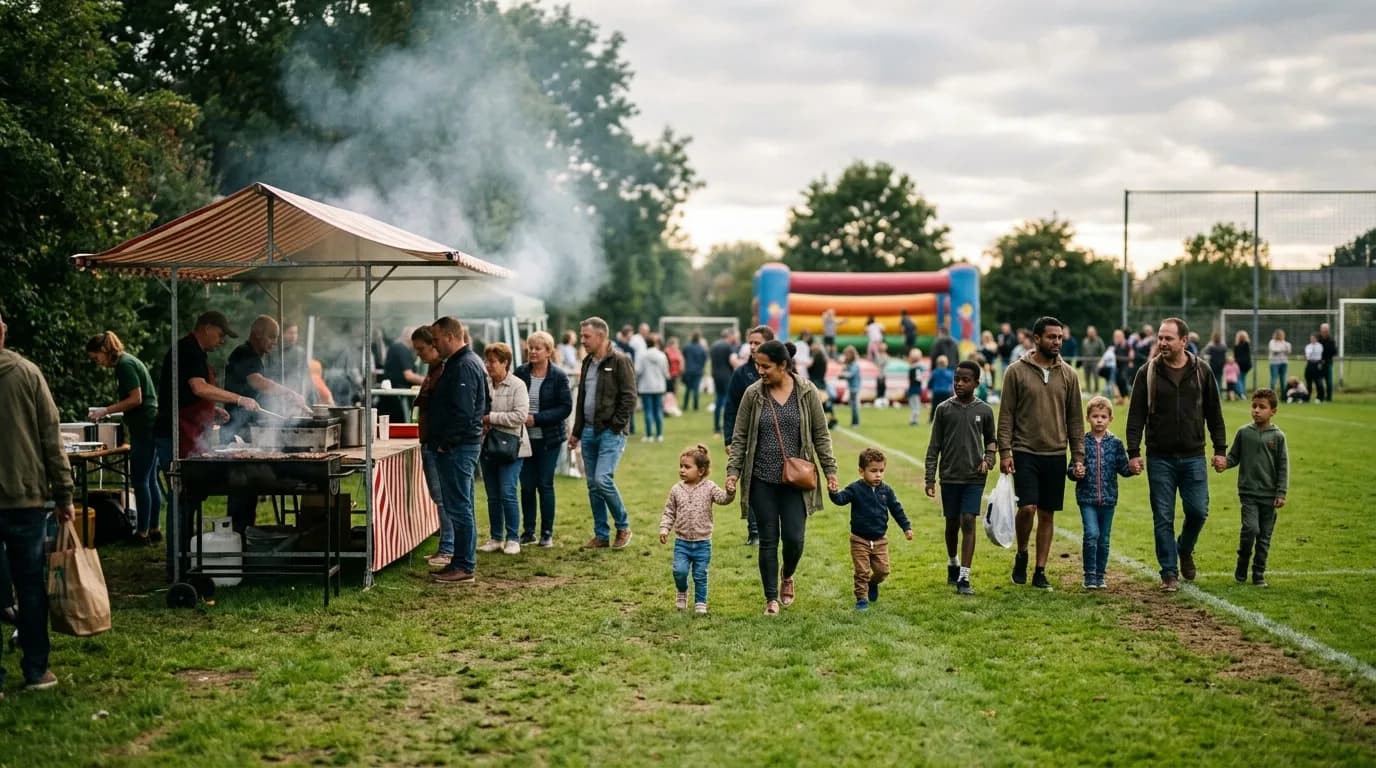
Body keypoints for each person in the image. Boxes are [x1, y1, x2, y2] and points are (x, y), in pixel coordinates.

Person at [725, 340, 839, 615]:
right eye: (757, 365)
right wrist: (733, 473)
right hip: (761, 478)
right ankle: (771, 598)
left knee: (794, 538)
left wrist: (830, 471)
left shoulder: (807, 391)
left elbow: (821, 434)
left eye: (766, 366)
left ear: (783, 365)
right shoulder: (753, 394)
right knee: (768, 539)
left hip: (795, 481)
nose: (760, 371)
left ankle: (787, 574)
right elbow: (740, 437)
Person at [1125, 317, 1228, 592]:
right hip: (1159, 457)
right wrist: (1133, 452)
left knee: (1198, 511)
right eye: (1160, 337)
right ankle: (1168, 572)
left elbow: (1214, 414)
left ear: (1184, 341)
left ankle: (1184, 548)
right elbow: (1135, 416)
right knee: (1163, 517)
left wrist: (1220, 449)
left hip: (1194, 456)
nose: (1162, 342)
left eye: (1168, 338)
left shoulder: (1202, 371)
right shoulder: (1147, 372)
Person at [0, 308, 74, 692]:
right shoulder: (28, 374)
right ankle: (35, 670)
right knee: (30, 585)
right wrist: (64, 494)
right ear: (2, 333)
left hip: (22, 498)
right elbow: (51, 438)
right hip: (24, 498)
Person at [154, 311, 258, 573]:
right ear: (206, 327)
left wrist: (213, 410)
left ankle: (185, 559)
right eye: (220, 335)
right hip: (173, 435)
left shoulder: (198, 354)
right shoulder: (188, 350)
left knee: (188, 500)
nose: (222, 341)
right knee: (180, 500)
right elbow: (198, 388)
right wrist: (237, 399)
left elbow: (189, 395)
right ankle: (176, 566)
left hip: (188, 435)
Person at [997, 316, 1086, 591]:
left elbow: (1075, 419)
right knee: (1027, 508)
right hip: (1024, 450)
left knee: (1047, 514)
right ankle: (1022, 552)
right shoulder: (1015, 371)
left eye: (1059, 337)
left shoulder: (1069, 375)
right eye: (1051, 337)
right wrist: (1005, 451)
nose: (1057, 342)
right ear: (1036, 339)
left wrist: (1078, 456)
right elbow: (1006, 415)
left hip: (1056, 452)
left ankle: (1040, 570)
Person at [222, 315, 307, 533]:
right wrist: (289, 393)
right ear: (257, 333)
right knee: (241, 489)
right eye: (271, 337)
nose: (274, 342)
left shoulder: (258, 357)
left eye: (276, 338)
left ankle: (245, 534)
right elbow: (257, 382)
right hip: (237, 431)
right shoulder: (244, 353)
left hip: (250, 429)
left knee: (250, 490)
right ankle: (236, 535)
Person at [924, 362, 996, 596]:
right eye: (957, 379)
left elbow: (991, 440)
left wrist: (989, 460)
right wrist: (930, 478)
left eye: (965, 380)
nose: (959, 383)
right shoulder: (943, 409)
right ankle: (953, 561)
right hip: (950, 476)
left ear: (976, 383)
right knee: (952, 523)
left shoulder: (985, 410)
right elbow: (934, 446)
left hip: (975, 477)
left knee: (968, 520)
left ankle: (964, 576)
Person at [429, 317, 489, 584]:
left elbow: (464, 412)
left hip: (458, 447)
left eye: (436, 339)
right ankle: (460, 561)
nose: (434, 345)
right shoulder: (462, 362)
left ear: (450, 337)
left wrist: (447, 443)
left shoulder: (464, 365)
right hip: (461, 445)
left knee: (459, 507)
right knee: (460, 505)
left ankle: (464, 565)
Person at [85, 331, 160, 544]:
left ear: (104, 350)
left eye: (96, 358)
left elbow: (136, 399)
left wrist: (106, 410)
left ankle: (142, 533)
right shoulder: (127, 362)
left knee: (140, 480)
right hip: (149, 424)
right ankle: (154, 528)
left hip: (144, 427)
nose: (97, 362)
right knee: (150, 479)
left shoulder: (125, 366)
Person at [570, 317, 637, 550]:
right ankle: (601, 535)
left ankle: (623, 526)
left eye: (586, 336)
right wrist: (576, 432)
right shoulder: (587, 362)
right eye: (581, 336)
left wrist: (616, 425)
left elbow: (630, 397)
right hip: (588, 431)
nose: (582, 340)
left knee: (602, 479)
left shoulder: (620, 361)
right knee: (592, 485)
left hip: (610, 432)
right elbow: (582, 399)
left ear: (601, 336)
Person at [831, 447, 912, 610]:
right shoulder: (855, 489)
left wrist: (906, 527)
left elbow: (896, 509)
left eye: (881, 471)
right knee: (862, 571)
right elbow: (840, 499)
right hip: (859, 540)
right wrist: (833, 492)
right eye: (873, 471)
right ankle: (861, 599)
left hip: (880, 540)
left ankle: (873, 583)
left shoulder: (886, 491)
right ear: (861, 471)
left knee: (883, 571)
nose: (878, 475)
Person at [1223, 388, 1288, 587]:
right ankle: (1242, 564)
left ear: (1273, 411)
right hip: (1248, 492)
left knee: (1264, 537)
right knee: (1250, 529)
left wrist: (1281, 492)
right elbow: (1233, 457)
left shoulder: (1278, 437)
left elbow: (1283, 466)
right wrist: (1223, 463)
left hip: (1269, 495)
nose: (1256, 410)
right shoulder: (1244, 433)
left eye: (1262, 407)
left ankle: (1258, 573)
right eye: (1254, 406)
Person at [659, 444, 734, 615]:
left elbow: (723, 499)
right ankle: (682, 591)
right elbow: (669, 511)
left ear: (700, 471)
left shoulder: (709, 487)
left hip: (703, 543)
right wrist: (664, 529)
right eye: (681, 466)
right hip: (682, 542)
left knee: (700, 574)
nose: (682, 470)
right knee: (679, 571)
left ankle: (700, 602)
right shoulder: (676, 490)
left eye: (687, 467)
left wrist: (730, 492)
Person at [515, 331, 572, 548]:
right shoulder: (521, 372)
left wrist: (537, 419)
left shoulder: (558, 376)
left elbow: (565, 407)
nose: (533, 351)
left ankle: (546, 533)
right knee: (527, 486)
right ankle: (528, 531)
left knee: (545, 484)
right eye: (530, 347)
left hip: (549, 440)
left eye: (537, 348)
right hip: (524, 439)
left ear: (548, 351)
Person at [1070, 396, 1132, 590]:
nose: (1099, 420)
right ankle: (1089, 575)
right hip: (1086, 498)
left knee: (1104, 539)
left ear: (1110, 419)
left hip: (1108, 499)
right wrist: (1076, 472)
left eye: (1103, 417)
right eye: (1095, 416)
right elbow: (1071, 469)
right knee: (1091, 534)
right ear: (1088, 418)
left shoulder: (1116, 443)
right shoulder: (1081, 443)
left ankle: (1100, 575)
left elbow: (1123, 468)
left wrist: (1133, 468)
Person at [722, 325, 774, 545]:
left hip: (775, 438)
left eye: (757, 343)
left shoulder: (781, 371)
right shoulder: (741, 374)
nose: (752, 347)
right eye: (750, 342)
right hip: (749, 438)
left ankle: (772, 527)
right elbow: (730, 407)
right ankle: (754, 531)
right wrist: (729, 438)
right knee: (751, 483)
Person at [477, 343, 530, 556]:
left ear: (505, 363)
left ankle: (513, 538)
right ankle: (496, 538)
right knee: (492, 495)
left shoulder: (518, 385)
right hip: (488, 446)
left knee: (508, 492)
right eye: (486, 361)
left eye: (492, 361)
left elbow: (520, 416)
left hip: (512, 448)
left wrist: (491, 418)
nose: (487, 365)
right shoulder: (484, 384)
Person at [410, 327, 452, 567]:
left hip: (437, 442)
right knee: (440, 497)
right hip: (430, 439)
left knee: (443, 497)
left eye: (421, 349)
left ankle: (448, 548)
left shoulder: (444, 371)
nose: (419, 354)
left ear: (434, 346)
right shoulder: (434, 370)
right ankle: (446, 545)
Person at [379, 328, 424, 423]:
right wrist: (429, 381)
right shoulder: (401, 349)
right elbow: (409, 375)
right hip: (397, 398)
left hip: (393, 398)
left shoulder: (396, 348)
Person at [635, 334, 669, 442]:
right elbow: (665, 372)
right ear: (655, 343)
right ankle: (659, 434)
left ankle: (649, 435)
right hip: (659, 386)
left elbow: (638, 371)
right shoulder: (662, 355)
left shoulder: (642, 355)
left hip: (646, 387)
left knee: (648, 411)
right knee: (658, 411)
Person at [709, 328, 738, 436]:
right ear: (729, 336)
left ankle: (717, 426)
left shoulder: (714, 345)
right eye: (734, 336)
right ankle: (727, 426)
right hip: (726, 376)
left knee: (718, 400)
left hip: (716, 375)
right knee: (727, 401)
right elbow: (733, 361)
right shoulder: (728, 347)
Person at [681, 331, 707, 411]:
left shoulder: (687, 347)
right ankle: (695, 407)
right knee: (696, 389)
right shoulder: (702, 348)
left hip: (688, 370)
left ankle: (685, 406)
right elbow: (704, 359)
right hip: (698, 371)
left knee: (688, 389)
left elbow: (683, 357)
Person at [927, 354, 953, 421]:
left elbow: (931, 381)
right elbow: (952, 382)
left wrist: (929, 388)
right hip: (946, 392)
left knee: (935, 406)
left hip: (937, 392)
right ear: (946, 363)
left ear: (937, 363)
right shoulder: (950, 373)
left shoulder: (935, 372)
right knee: (947, 406)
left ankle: (932, 418)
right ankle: (947, 418)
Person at [1080, 327, 1106, 392]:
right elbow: (1083, 351)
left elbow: (1103, 351)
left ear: (1095, 332)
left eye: (1092, 332)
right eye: (1089, 332)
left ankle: (1096, 390)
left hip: (1095, 361)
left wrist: (1101, 360)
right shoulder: (1085, 341)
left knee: (1096, 376)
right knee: (1087, 377)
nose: (1090, 334)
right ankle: (1088, 390)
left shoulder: (1099, 341)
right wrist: (1083, 361)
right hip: (1086, 361)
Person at [906, 348, 927, 426]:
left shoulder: (911, 368)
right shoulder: (918, 368)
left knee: (914, 406)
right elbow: (918, 378)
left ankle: (913, 420)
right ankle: (913, 421)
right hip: (916, 389)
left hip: (912, 389)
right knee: (916, 406)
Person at [841, 346, 862, 427]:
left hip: (855, 388)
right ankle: (854, 422)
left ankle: (856, 423)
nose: (846, 356)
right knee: (853, 405)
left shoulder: (854, 365)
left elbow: (850, 374)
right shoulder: (850, 364)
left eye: (847, 355)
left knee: (854, 406)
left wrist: (843, 375)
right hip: (852, 387)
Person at [1203, 331, 1229, 396]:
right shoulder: (1223, 346)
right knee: (1219, 380)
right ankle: (1219, 394)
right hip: (1221, 366)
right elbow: (1226, 356)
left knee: (1212, 381)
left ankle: (1213, 394)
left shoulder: (1210, 346)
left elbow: (1205, 354)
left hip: (1213, 365)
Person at [1303, 333, 1327, 403]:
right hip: (1310, 363)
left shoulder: (1320, 346)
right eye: (1311, 338)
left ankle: (1320, 397)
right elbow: (1307, 355)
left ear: (1316, 339)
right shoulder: (1308, 346)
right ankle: (1307, 397)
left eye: (1313, 338)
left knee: (1318, 382)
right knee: (1308, 382)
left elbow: (1318, 354)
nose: (1312, 339)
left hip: (1317, 364)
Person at [1318, 323, 1337, 401]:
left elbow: (1334, 352)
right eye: (1323, 330)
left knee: (1329, 381)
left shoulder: (1331, 340)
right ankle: (1320, 396)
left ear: (1328, 331)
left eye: (1326, 330)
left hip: (1328, 363)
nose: (1324, 332)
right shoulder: (1318, 339)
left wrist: (1325, 358)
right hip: (1319, 363)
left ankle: (1329, 397)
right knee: (1319, 381)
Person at [1233, 330, 1253, 399]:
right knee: (1242, 379)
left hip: (1240, 365)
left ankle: (1241, 393)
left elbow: (1235, 356)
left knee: (1239, 379)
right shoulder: (1247, 344)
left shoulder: (1236, 345)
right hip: (1247, 365)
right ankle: (1243, 393)